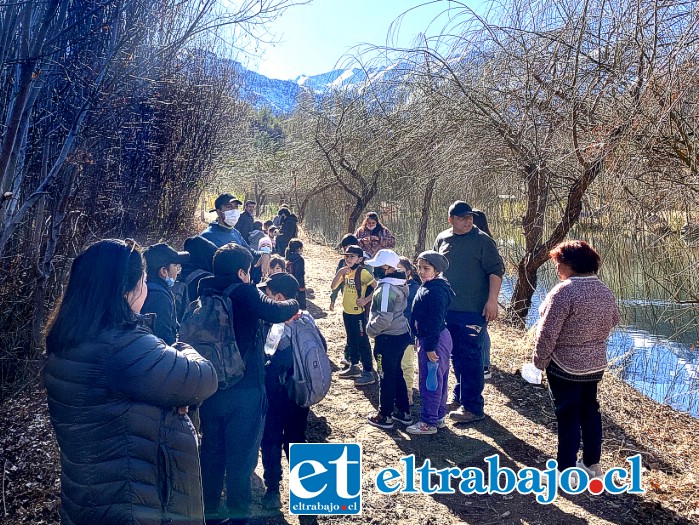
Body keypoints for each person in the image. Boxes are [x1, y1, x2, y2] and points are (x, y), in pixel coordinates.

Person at [45, 239, 218, 525]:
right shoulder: (122, 345)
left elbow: (118, 403)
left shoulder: (66, 338)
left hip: (89, 496)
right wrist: (182, 349)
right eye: (143, 280)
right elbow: (204, 378)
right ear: (127, 289)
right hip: (133, 504)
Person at [196, 243, 299, 522]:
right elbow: (278, 311)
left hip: (210, 387)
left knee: (212, 453)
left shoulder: (203, 291)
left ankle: (211, 513)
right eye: (251, 270)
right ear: (242, 272)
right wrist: (295, 300)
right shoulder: (244, 292)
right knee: (241, 460)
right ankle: (239, 516)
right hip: (245, 390)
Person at [532, 240, 620, 478]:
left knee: (568, 415)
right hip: (594, 364)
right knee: (590, 412)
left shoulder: (564, 291)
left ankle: (565, 469)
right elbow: (614, 320)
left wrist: (538, 363)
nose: (557, 268)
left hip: (565, 364)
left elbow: (547, 332)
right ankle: (593, 464)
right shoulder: (604, 290)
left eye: (558, 263)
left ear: (570, 264)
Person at [258, 273, 327, 510]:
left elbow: (273, 360)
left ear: (278, 297)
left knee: (271, 439)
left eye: (267, 294)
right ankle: (307, 490)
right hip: (301, 393)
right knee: (297, 438)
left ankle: (273, 489)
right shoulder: (306, 319)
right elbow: (322, 347)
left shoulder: (278, 325)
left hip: (278, 393)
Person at [434, 200, 504, 424]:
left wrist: (492, 301)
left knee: (471, 357)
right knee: (456, 354)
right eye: (462, 217)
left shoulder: (483, 241)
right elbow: (435, 270)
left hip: (473, 310)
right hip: (448, 309)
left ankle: (473, 407)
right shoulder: (443, 238)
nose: (468, 221)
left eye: (470, 217)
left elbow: (496, 272)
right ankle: (459, 397)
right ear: (451, 220)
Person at [406, 251, 455, 435]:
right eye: (419, 267)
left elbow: (435, 319)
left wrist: (430, 346)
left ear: (437, 270)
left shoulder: (435, 291)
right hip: (433, 337)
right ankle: (439, 415)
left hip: (434, 339)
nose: (421, 271)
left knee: (431, 381)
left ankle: (428, 422)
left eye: (426, 268)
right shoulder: (430, 285)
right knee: (437, 378)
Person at [364, 249, 413, 430]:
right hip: (400, 335)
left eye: (379, 267)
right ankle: (403, 411)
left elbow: (384, 317)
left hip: (387, 338)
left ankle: (385, 415)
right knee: (397, 372)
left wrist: (371, 330)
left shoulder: (386, 288)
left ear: (389, 269)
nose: (375, 270)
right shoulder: (400, 283)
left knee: (385, 375)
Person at [331, 245, 377, 386]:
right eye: (346, 256)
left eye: (352, 256)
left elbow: (376, 288)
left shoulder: (363, 273)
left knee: (362, 341)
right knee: (351, 340)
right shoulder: (345, 271)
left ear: (360, 259)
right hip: (347, 312)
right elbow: (333, 286)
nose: (348, 259)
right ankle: (354, 366)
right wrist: (339, 273)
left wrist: (365, 300)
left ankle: (368, 371)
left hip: (358, 313)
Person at [201, 193, 270, 277]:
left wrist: (264, 254)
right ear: (219, 212)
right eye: (229, 207)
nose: (234, 211)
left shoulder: (235, 233)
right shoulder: (207, 237)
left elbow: (250, 253)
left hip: (239, 283)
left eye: (236, 207)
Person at [141, 242, 190, 345]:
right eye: (176, 266)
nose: (178, 270)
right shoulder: (159, 297)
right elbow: (164, 338)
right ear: (164, 271)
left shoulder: (146, 289)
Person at [472, 208, 494, 379]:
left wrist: (491, 299)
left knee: (482, 329)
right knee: (480, 328)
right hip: (477, 293)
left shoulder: (486, 242)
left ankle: (485, 365)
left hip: (482, 294)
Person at [398, 257, 421, 405]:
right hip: (391, 331)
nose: (397, 273)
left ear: (408, 271)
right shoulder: (387, 285)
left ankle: (408, 392)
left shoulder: (415, 288)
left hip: (407, 333)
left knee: (406, 363)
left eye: (401, 271)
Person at [329, 233, 360, 313]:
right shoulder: (342, 263)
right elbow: (336, 284)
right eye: (344, 248)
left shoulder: (364, 263)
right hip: (347, 299)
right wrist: (333, 300)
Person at [285, 238, 307, 309]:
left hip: (288, 284)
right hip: (298, 285)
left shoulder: (287, 257)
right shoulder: (299, 259)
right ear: (298, 248)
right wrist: (301, 287)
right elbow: (299, 274)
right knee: (301, 306)